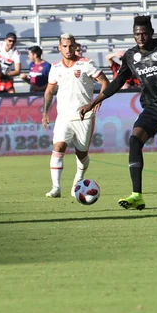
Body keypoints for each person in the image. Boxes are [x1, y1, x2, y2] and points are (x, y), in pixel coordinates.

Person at [79, 16, 157, 211]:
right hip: (152, 108)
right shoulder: (131, 56)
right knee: (134, 140)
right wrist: (92, 103)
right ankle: (137, 195)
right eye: (137, 34)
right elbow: (117, 82)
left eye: (144, 33)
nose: (140, 37)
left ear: (152, 32)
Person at [42, 33, 109, 199]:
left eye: (71, 46)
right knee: (58, 147)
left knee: (82, 154)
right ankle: (56, 187)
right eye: (64, 46)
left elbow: (105, 82)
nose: (68, 49)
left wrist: (96, 101)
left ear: (75, 46)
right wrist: (45, 112)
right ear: (59, 48)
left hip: (83, 117)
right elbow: (49, 91)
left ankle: (78, 180)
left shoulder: (86, 64)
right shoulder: (55, 67)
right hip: (63, 116)